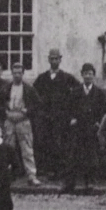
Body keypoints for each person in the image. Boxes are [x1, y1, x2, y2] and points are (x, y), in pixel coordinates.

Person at [34, 48, 80, 181]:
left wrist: (71, 113)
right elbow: (34, 95)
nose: (54, 61)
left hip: (61, 117)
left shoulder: (67, 78)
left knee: (60, 143)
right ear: (49, 60)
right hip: (45, 117)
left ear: (60, 60)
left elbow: (78, 92)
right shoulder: (42, 78)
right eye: (52, 59)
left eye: (56, 59)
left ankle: (60, 171)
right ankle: (48, 170)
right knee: (45, 142)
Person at [66, 62, 106, 193]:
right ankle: (70, 184)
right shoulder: (75, 92)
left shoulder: (99, 93)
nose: (88, 76)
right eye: (85, 74)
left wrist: (99, 122)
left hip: (92, 128)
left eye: (90, 74)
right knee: (74, 155)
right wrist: (72, 118)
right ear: (82, 75)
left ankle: (90, 182)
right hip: (78, 127)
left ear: (94, 75)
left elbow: (105, 110)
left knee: (91, 156)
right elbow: (68, 108)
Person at [0, 61, 43, 186]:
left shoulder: (29, 88)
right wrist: (5, 111)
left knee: (27, 149)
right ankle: (6, 175)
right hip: (9, 121)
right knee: (8, 148)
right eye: (15, 73)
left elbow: (38, 104)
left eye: (19, 73)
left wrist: (27, 111)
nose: (17, 75)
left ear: (23, 74)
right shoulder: (6, 88)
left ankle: (31, 176)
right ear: (12, 74)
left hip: (23, 121)